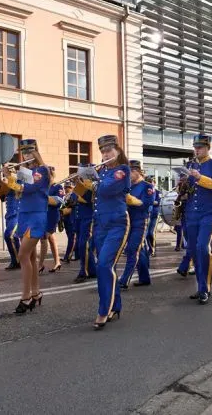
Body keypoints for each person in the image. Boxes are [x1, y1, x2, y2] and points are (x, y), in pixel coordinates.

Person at [88, 135, 130, 329]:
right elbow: (90, 193)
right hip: (101, 225)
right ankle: (116, 305)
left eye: (108, 151)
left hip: (117, 224)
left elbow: (106, 189)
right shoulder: (102, 171)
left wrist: (92, 180)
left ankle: (104, 310)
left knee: (105, 264)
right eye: (103, 152)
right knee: (104, 267)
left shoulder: (122, 170)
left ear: (117, 151)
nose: (105, 155)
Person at [6, 139, 50, 314]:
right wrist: (7, 175)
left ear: (36, 152)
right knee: (30, 257)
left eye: (29, 152)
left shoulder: (42, 170)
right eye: (24, 153)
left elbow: (29, 188)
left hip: (36, 216)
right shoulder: (26, 171)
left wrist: (12, 178)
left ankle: (25, 297)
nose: (26, 156)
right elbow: (17, 190)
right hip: (24, 215)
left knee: (22, 255)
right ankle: (36, 292)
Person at [183, 134, 212, 305]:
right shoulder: (191, 165)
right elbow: (187, 189)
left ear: (208, 148)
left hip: (208, 212)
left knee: (203, 247)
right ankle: (200, 287)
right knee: (194, 250)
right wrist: (184, 183)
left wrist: (200, 178)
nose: (197, 150)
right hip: (191, 213)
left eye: (200, 147)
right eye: (195, 147)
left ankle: (205, 288)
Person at [119, 160, 153, 289]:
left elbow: (145, 204)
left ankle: (124, 280)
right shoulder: (128, 185)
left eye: (130, 173)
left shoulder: (147, 186)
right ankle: (144, 278)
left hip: (140, 221)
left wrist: (128, 198)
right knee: (140, 250)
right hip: (127, 221)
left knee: (133, 249)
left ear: (137, 171)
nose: (128, 176)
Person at [72, 164, 96, 283]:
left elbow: (87, 199)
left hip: (89, 217)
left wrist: (79, 185)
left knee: (84, 244)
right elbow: (74, 199)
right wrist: (77, 183)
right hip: (80, 217)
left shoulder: (95, 185)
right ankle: (92, 270)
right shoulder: (83, 184)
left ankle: (84, 271)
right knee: (84, 246)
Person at [0, 172, 21, 271]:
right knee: (13, 239)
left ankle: (18, 260)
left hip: (18, 216)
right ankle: (16, 260)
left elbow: (14, 187)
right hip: (9, 217)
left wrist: (6, 177)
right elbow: (2, 197)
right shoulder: (7, 188)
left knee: (9, 235)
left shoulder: (17, 185)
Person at [40, 170, 63, 273]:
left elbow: (59, 201)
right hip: (43, 215)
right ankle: (57, 261)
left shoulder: (58, 187)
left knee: (43, 238)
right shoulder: (44, 186)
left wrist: (43, 198)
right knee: (51, 239)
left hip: (52, 216)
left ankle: (40, 265)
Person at [60, 181, 77, 263]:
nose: (67, 189)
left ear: (73, 187)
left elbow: (73, 207)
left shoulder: (74, 195)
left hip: (72, 218)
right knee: (70, 237)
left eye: (69, 187)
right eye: (65, 187)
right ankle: (77, 255)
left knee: (72, 238)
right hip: (66, 219)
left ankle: (68, 256)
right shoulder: (64, 196)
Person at [145, 176, 161, 257]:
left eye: (152, 182)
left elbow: (158, 202)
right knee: (146, 233)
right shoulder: (145, 191)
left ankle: (153, 249)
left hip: (154, 214)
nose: (151, 184)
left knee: (151, 233)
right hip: (147, 214)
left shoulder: (157, 192)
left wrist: (149, 201)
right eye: (149, 182)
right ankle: (150, 249)